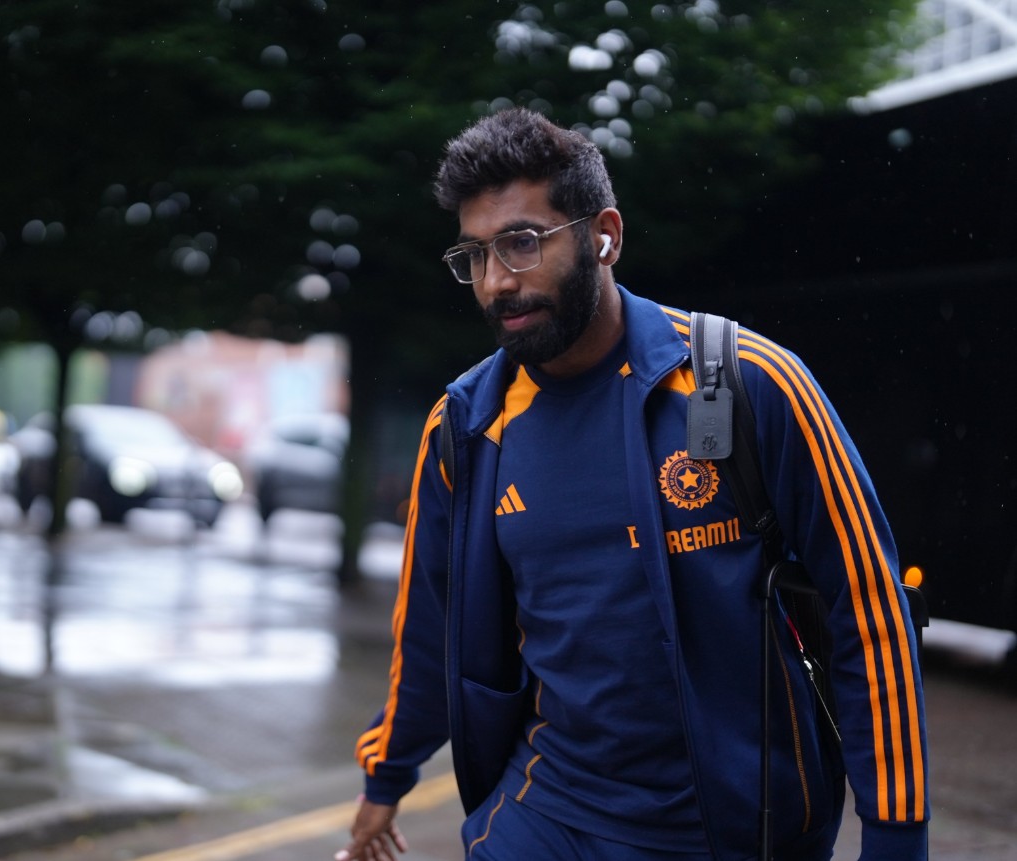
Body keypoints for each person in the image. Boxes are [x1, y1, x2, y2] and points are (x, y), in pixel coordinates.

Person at [338, 109, 927, 860]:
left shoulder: (748, 383)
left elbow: (870, 610)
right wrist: (383, 779)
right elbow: (429, 630)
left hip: (746, 826)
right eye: (474, 256)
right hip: (547, 818)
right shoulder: (464, 429)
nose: (496, 283)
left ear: (605, 234)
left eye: (522, 243)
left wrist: (897, 832)